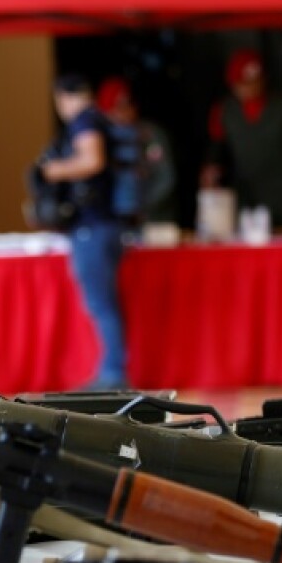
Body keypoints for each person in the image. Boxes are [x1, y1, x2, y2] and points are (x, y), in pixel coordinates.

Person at [37, 74, 128, 389]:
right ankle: (111, 369)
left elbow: (92, 159)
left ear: (63, 97)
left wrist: (54, 170)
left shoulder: (84, 120)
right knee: (103, 301)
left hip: (92, 226)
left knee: (101, 302)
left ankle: (113, 373)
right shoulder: (101, 119)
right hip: (105, 224)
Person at [199, 49, 282, 230]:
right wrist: (210, 176)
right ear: (233, 84)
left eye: (255, 81)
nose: (251, 88)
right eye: (244, 83)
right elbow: (216, 152)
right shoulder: (224, 112)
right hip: (244, 197)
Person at [96, 77, 177, 224]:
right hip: (111, 220)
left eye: (126, 104)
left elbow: (166, 178)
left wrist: (141, 206)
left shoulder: (149, 134)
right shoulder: (98, 138)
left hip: (151, 217)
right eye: (115, 108)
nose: (121, 113)